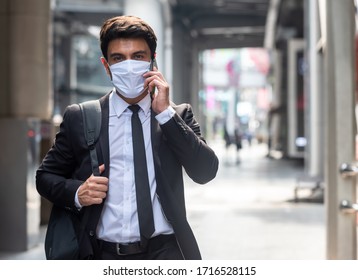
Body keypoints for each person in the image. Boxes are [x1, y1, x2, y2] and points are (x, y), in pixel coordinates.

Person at [36, 15, 219, 260]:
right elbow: (45, 177)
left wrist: (165, 115)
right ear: (106, 65)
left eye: (138, 56)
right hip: (102, 254)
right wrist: (77, 193)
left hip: (164, 254)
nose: (129, 65)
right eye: (119, 58)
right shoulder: (81, 117)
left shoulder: (177, 115)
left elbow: (205, 171)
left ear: (153, 62)